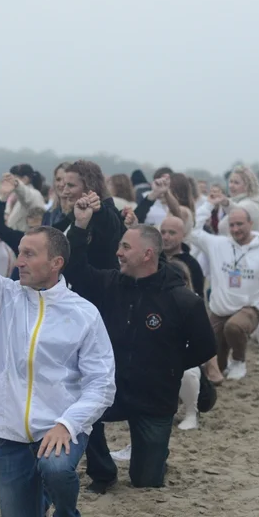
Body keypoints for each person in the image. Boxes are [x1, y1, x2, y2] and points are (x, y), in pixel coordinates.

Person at [0, 146, 115, 517]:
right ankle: (39, 498)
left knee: (58, 469)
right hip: (11, 435)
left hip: (57, 430)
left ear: (56, 263)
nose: (18, 261)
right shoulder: (5, 297)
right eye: (19, 253)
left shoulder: (83, 314)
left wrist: (67, 423)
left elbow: (102, 384)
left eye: (29, 255)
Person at [65, 193, 217, 492]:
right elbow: (76, 271)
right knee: (81, 411)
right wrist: (80, 226)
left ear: (147, 254)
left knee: (146, 482)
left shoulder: (182, 299)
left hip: (154, 398)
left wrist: (169, 365)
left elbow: (205, 348)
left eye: (125, 247)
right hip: (113, 388)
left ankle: (155, 454)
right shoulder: (111, 284)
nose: (118, 252)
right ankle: (103, 471)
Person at [190, 204, 259, 381]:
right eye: (232, 225)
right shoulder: (218, 244)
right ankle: (225, 363)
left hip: (248, 310)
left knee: (234, 326)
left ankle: (239, 361)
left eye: (240, 224)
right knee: (213, 361)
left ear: (251, 223)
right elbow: (193, 233)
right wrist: (209, 204)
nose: (235, 229)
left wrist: (258, 307)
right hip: (220, 310)